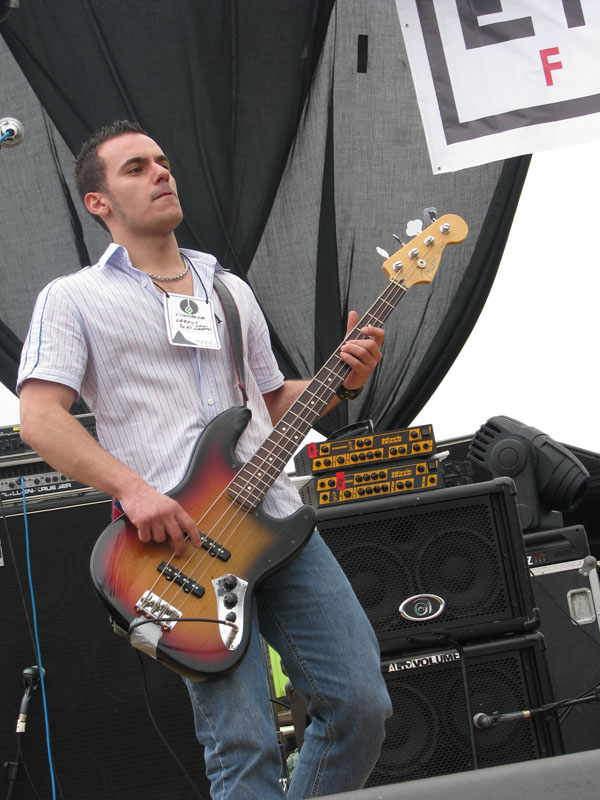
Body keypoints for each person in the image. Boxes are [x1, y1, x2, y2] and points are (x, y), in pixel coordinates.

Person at [17, 120, 392, 800]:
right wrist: (132, 489)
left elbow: (270, 402)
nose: (161, 172)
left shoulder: (228, 289)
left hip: (275, 519)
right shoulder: (72, 299)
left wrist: (343, 378)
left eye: (162, 160)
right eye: (136, 168)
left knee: (362, 706)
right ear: (98, 202)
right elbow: (40, 419)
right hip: (174, 545)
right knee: (244, 745)